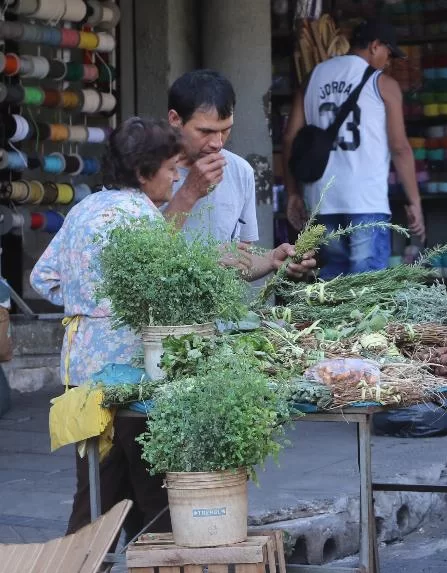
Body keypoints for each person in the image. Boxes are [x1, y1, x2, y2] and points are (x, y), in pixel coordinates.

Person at [29, 118, 313, 539]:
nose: (176, 177)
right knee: (155, 499)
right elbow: (180, 276)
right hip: (131, 375)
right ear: (144, 173)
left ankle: (86, 561)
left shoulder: (84, 209)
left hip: (82, 377)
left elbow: (42, 278)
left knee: (98, 493)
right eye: (169, 169)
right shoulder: (141, 218)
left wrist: (88, 303)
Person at [283, 16, 425, 279]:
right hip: (366, 201)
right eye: (388, 53)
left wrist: (292, 193)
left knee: (330, 287)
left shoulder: (313, 77)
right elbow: (400, 148)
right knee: (367, 290)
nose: (389, 61)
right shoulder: (383, 84)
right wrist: (414, 201)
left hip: (321, 202)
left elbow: (291, 138)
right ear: (374, 46)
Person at [164, 69, 259, 244]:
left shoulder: (241, 171)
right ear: (175, 119)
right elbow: (139, 256)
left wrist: (274, 260)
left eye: (225, 129)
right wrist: (189, 192)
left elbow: (243, 258)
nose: (218, 143)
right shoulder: (146, 169)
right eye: (206, 131)